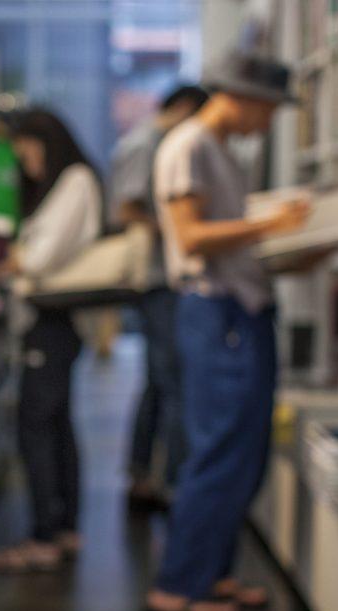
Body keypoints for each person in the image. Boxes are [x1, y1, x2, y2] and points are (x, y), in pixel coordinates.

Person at [144, 53, 314, 611]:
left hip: (242, 310)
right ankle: (180, 584)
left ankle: (211, 574)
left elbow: (234, 244)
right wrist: (274, 224)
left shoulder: (221, 152)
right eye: (268, 108)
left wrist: (302, 245)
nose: (269, 122)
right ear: (241, 97)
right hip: (216, 315)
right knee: (218, 449)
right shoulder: (187, 146)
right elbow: (190, 237)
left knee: (244, 451)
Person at [0, 109, 103, 572]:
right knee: (56, 424)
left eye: (28, 153)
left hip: (52, 321)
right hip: (52, 322)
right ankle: (62, 527)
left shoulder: (75, 180)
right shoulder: (71, 181)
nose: (26, 164)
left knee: (37, 427)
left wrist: (4, 261)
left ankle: (44, 537)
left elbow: (43, 257)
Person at [110, 85, 209, 509]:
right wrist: (180, 228)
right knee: (172, 382)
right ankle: (170, 485)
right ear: (184, 109)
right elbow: (125, 208)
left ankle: (143, 476)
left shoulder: (157, 142)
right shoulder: (146, 144)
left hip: (162, 279)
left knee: (158, 382)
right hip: (156, 278)